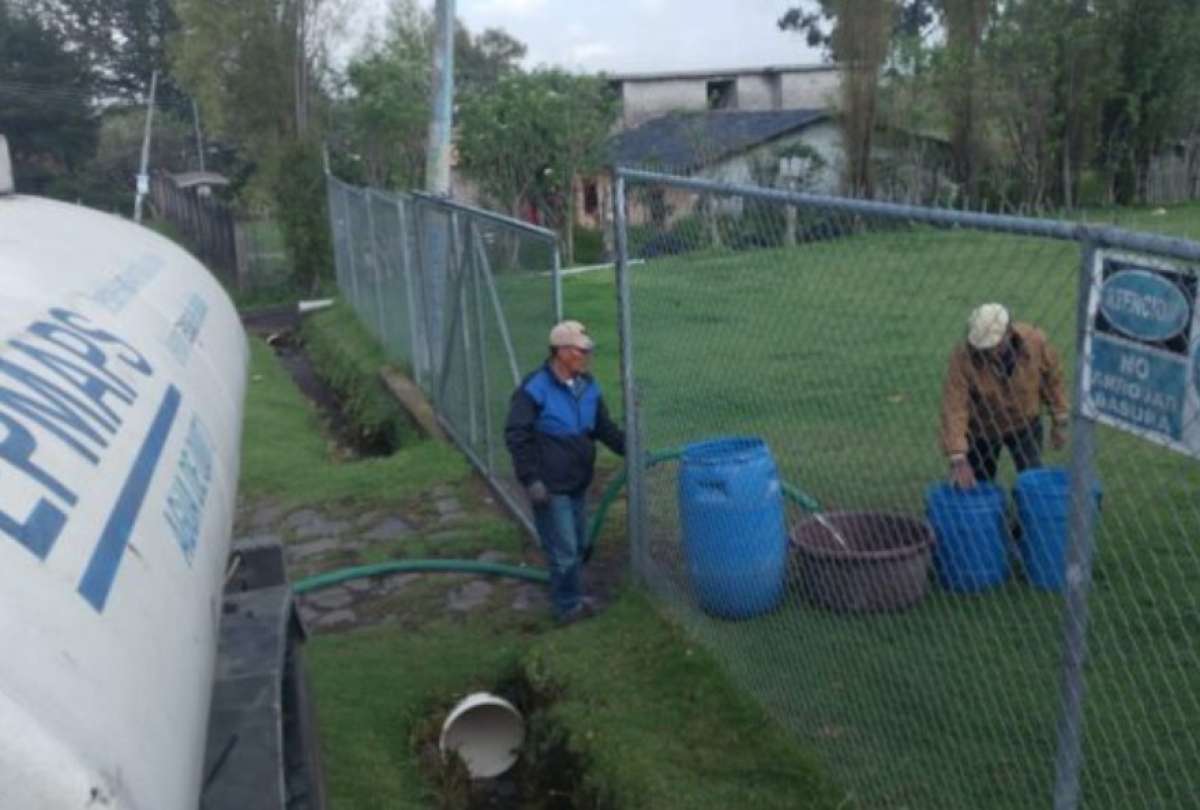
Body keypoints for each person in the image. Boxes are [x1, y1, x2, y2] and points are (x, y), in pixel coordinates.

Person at [505, 320, 625, 624]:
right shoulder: (534, 389)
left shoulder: (588, 386)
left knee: (577, 546)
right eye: (580, 351)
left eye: (587, 351)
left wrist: (632, 450)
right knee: (565, 552)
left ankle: (571, 595)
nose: (586, 356)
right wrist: (530, 479)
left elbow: (603, 428)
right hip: (550, 486)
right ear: (561, 352)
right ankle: (568, 607)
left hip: (577, 482)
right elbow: (517, 435)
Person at [940, 303, 1070, 489]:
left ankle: (1029, 515)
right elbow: (954, 404)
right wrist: (958, 457)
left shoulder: (1035, 341)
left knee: (1033, 479)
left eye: (994, 346)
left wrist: (1060, 420)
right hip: (981, 429)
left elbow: (1053, 381)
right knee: (977, 484)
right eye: (983, 348)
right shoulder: (963, 357)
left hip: (1025, 423)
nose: (989, 353)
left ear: (1009, 333)